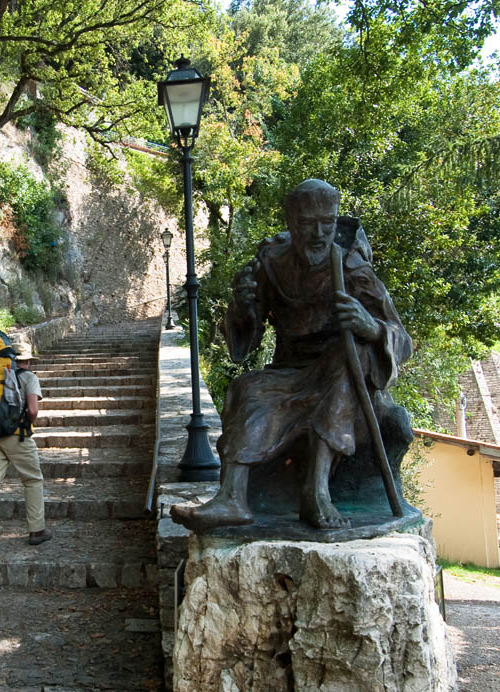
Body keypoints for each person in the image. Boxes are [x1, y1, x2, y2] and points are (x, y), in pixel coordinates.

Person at [171, 179, 413, 531]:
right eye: (307, 224)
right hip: (290, 373)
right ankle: (232, 498)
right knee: (248, 388)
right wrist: (242, 305)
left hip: (343, 376)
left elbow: (400, 338)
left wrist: (372, 328)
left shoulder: (350, 265)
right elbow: (246, 342)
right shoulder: (272, 263)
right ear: (290, 221)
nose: (318, 234)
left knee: (347, 361)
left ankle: (317, 490)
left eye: (327, 223)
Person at [0, 340, 53, 561]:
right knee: (32, 480)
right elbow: (33, 412)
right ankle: (37, 530)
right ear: (24, 361)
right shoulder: (28, 377)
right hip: (18, 437)